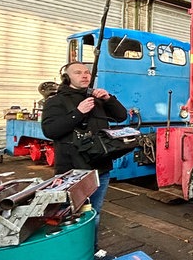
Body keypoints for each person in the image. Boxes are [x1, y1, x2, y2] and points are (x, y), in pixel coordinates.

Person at [41, 61, 127, 260]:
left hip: (100, 168)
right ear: (67, 77)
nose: (85, 75)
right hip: (72, 171)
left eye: (87, 72)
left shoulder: (96, 99)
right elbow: (50, 130)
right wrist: (78, 113)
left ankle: (92, 250)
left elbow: (121, 116)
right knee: (69, 214)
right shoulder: (56, 101)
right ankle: (68, 253)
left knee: (94, 213)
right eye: (78, 72)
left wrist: (108, 99)